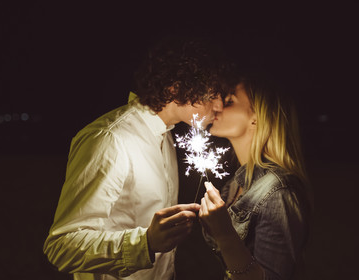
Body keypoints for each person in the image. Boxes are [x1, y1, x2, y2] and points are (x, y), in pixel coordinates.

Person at [43, 36, 235, 280]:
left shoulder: (165, 136)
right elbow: (62, 247)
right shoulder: (110, 139)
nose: (219, 105)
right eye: (212, 93)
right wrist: (144, 243)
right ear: (174, 89)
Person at [198, 73, 312, 280]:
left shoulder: (278, 191)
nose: (217, 106)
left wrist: (224, 233)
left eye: (229, 101)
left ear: (256, 117)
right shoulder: (233, 186)